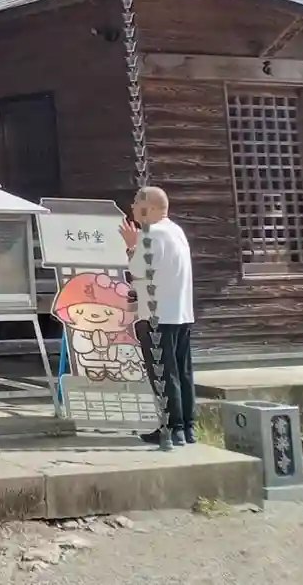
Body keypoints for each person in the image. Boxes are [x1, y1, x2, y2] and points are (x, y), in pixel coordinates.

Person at [120, 186, 196, 446]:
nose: (132, 207)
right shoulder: (176, 231)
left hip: (157, 315)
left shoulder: (150, 234)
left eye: (136, 203)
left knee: (163, 373)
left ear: (149, 207)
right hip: (181, 312)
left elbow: (139, 270)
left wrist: (131, 246)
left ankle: (172, 428)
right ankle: (187, 427)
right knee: (182, 372)